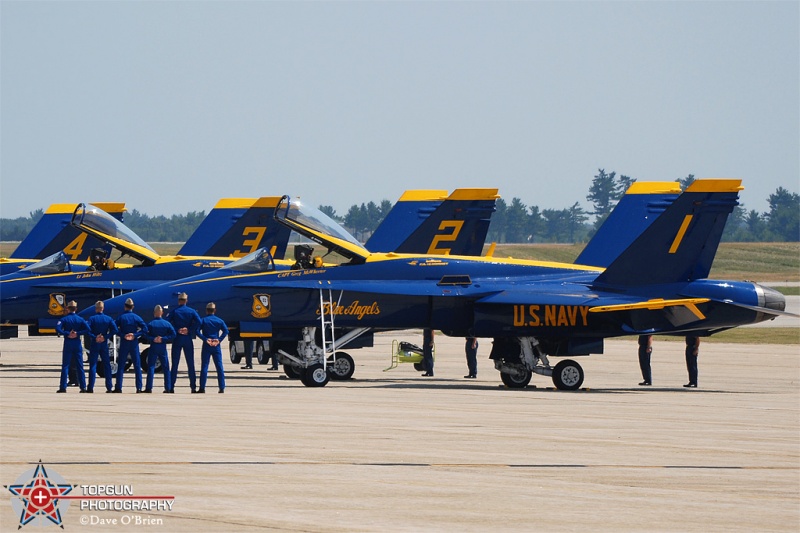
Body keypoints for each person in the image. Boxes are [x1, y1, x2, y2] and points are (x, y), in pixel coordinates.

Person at [168, 292, 202, 393]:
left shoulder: (174, 311)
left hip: (177, 338)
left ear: (179, 300)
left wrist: (176, 329)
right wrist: (189, 329)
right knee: (190, 363)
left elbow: (167, 322)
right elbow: (199, 322)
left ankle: (171, 386)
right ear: (186, 300)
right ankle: (193, 387)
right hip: (187, 338)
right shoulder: (191, 311)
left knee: (175, 363)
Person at [55, 301, 90, 393]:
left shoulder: (64, 319)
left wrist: (67, 333)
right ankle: (83, 387)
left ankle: (63, 387)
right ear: (76, 309)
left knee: (66, 365)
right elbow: (88, 329)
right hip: (77, 343)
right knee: (80, 366)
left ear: (68, 308)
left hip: (68, 342)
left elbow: (57, 328)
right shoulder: (80, 319)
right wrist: (77, 333)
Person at [114, 298, 147, 393]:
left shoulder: (121, 317)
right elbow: (144, 328)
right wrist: (135, 335)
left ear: (125, 306)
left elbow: (114, 328)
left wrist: (123, 335)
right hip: (134, 342)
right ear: (133, 307)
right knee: (137, 365)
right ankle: (139, 388)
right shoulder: (136, 317)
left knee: (121, 365)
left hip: (124, 342)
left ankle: (118, 387)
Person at [86, 300, 119, 393]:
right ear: (103, 308)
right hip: (104, 343)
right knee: (107, 364)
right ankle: (109, 387)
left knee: (93, 365)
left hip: (95, 343)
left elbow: (87, 330)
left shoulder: (92, 319)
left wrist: (94, 337)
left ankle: (91, 387)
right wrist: (105, 337)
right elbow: (115, 330)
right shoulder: (108, 319)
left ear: (96, 308)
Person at [197, 302, 228, 393]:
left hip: (207, 344)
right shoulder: (219, 321)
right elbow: (226, 331)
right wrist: (219, 340)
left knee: (204, 366)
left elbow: (197, 331)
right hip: (216, 345)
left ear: (206, 310)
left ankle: (202, 388)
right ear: (215, 310)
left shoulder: (203, 320)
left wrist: (205, 339)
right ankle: (221, 387)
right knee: (219, 366)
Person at [144, 305, 176, 393]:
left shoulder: (150, 324)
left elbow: (145, 334)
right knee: (165, 367)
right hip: (162, 346)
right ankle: (168, 387)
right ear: (162, 313)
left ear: (154, 313)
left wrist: (153, 338)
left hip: (154, 345)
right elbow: (173, 334)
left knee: (151, 367)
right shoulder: (167, 324)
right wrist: (163, 338)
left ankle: (149, 388)